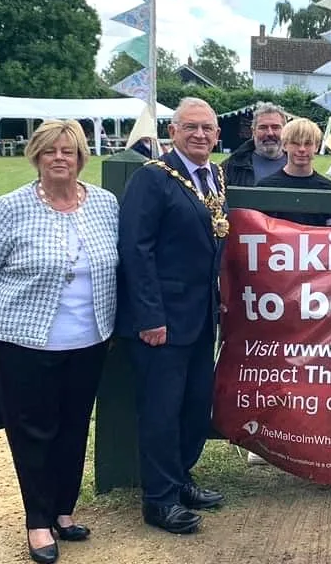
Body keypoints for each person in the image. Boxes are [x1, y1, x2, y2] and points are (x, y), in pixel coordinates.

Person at [0, 120, 119, 564]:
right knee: (33, 430)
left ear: (80, 158)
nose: (59, 158)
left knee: (74, 428)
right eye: (50, 151)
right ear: (36, 156)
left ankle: (64, 510)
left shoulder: (105, 205)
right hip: (23, 339)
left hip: (89, 338)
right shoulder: (8, 207)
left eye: (68, 151)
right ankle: (38, 519)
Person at [117, 97, 228, 535]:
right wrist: (149, 316)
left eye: (208, 129)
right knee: (162, 410)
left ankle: (181, 477)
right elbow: (136, 250)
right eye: (191, 127)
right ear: (173, 132)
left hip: (201, 315)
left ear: (218, 136)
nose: (200, 135)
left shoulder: (214, 176)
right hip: (161, 318)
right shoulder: (153, 179)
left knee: (195, 403)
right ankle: (158, 499)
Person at [256, 118, 331, 226]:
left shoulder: (329, 189)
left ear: (317, 146)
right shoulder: (265, 187)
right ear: (284, 145)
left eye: (308, 143)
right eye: (295, 143)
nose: (302, 149)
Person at [221, 102, 289, 186]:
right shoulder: (231, 167)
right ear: (253, 131)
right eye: (263, 127)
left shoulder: (299, 166)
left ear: (285, 131)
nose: (270, 133)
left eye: (275, 127)